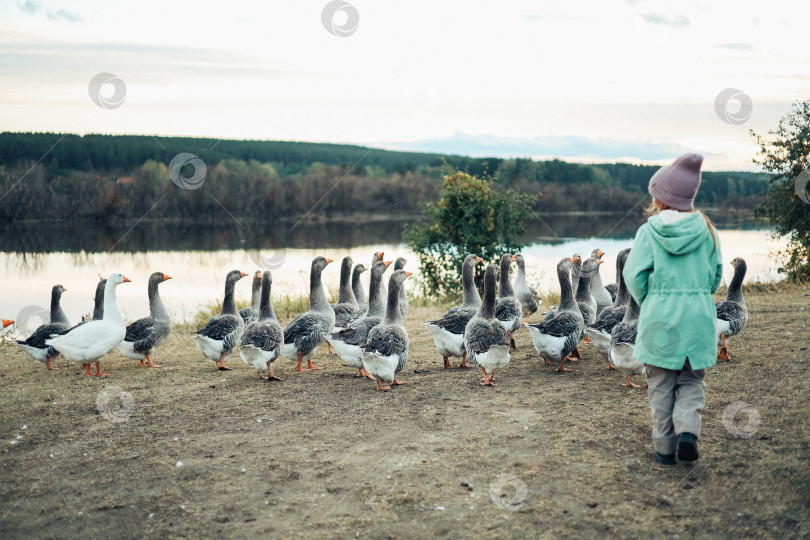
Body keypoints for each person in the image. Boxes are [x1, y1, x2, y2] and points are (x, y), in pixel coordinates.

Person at [623, 153, 723, 465]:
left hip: (660, 321)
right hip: (697, 320)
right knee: (692, 381)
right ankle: (688, 434)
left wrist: (650, 301)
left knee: (661, 386)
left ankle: (665, 451)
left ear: (660, 198)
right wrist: (696, 296)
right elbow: (715, 276)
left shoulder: (649, 232)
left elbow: (633, 276)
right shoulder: (707, 230)